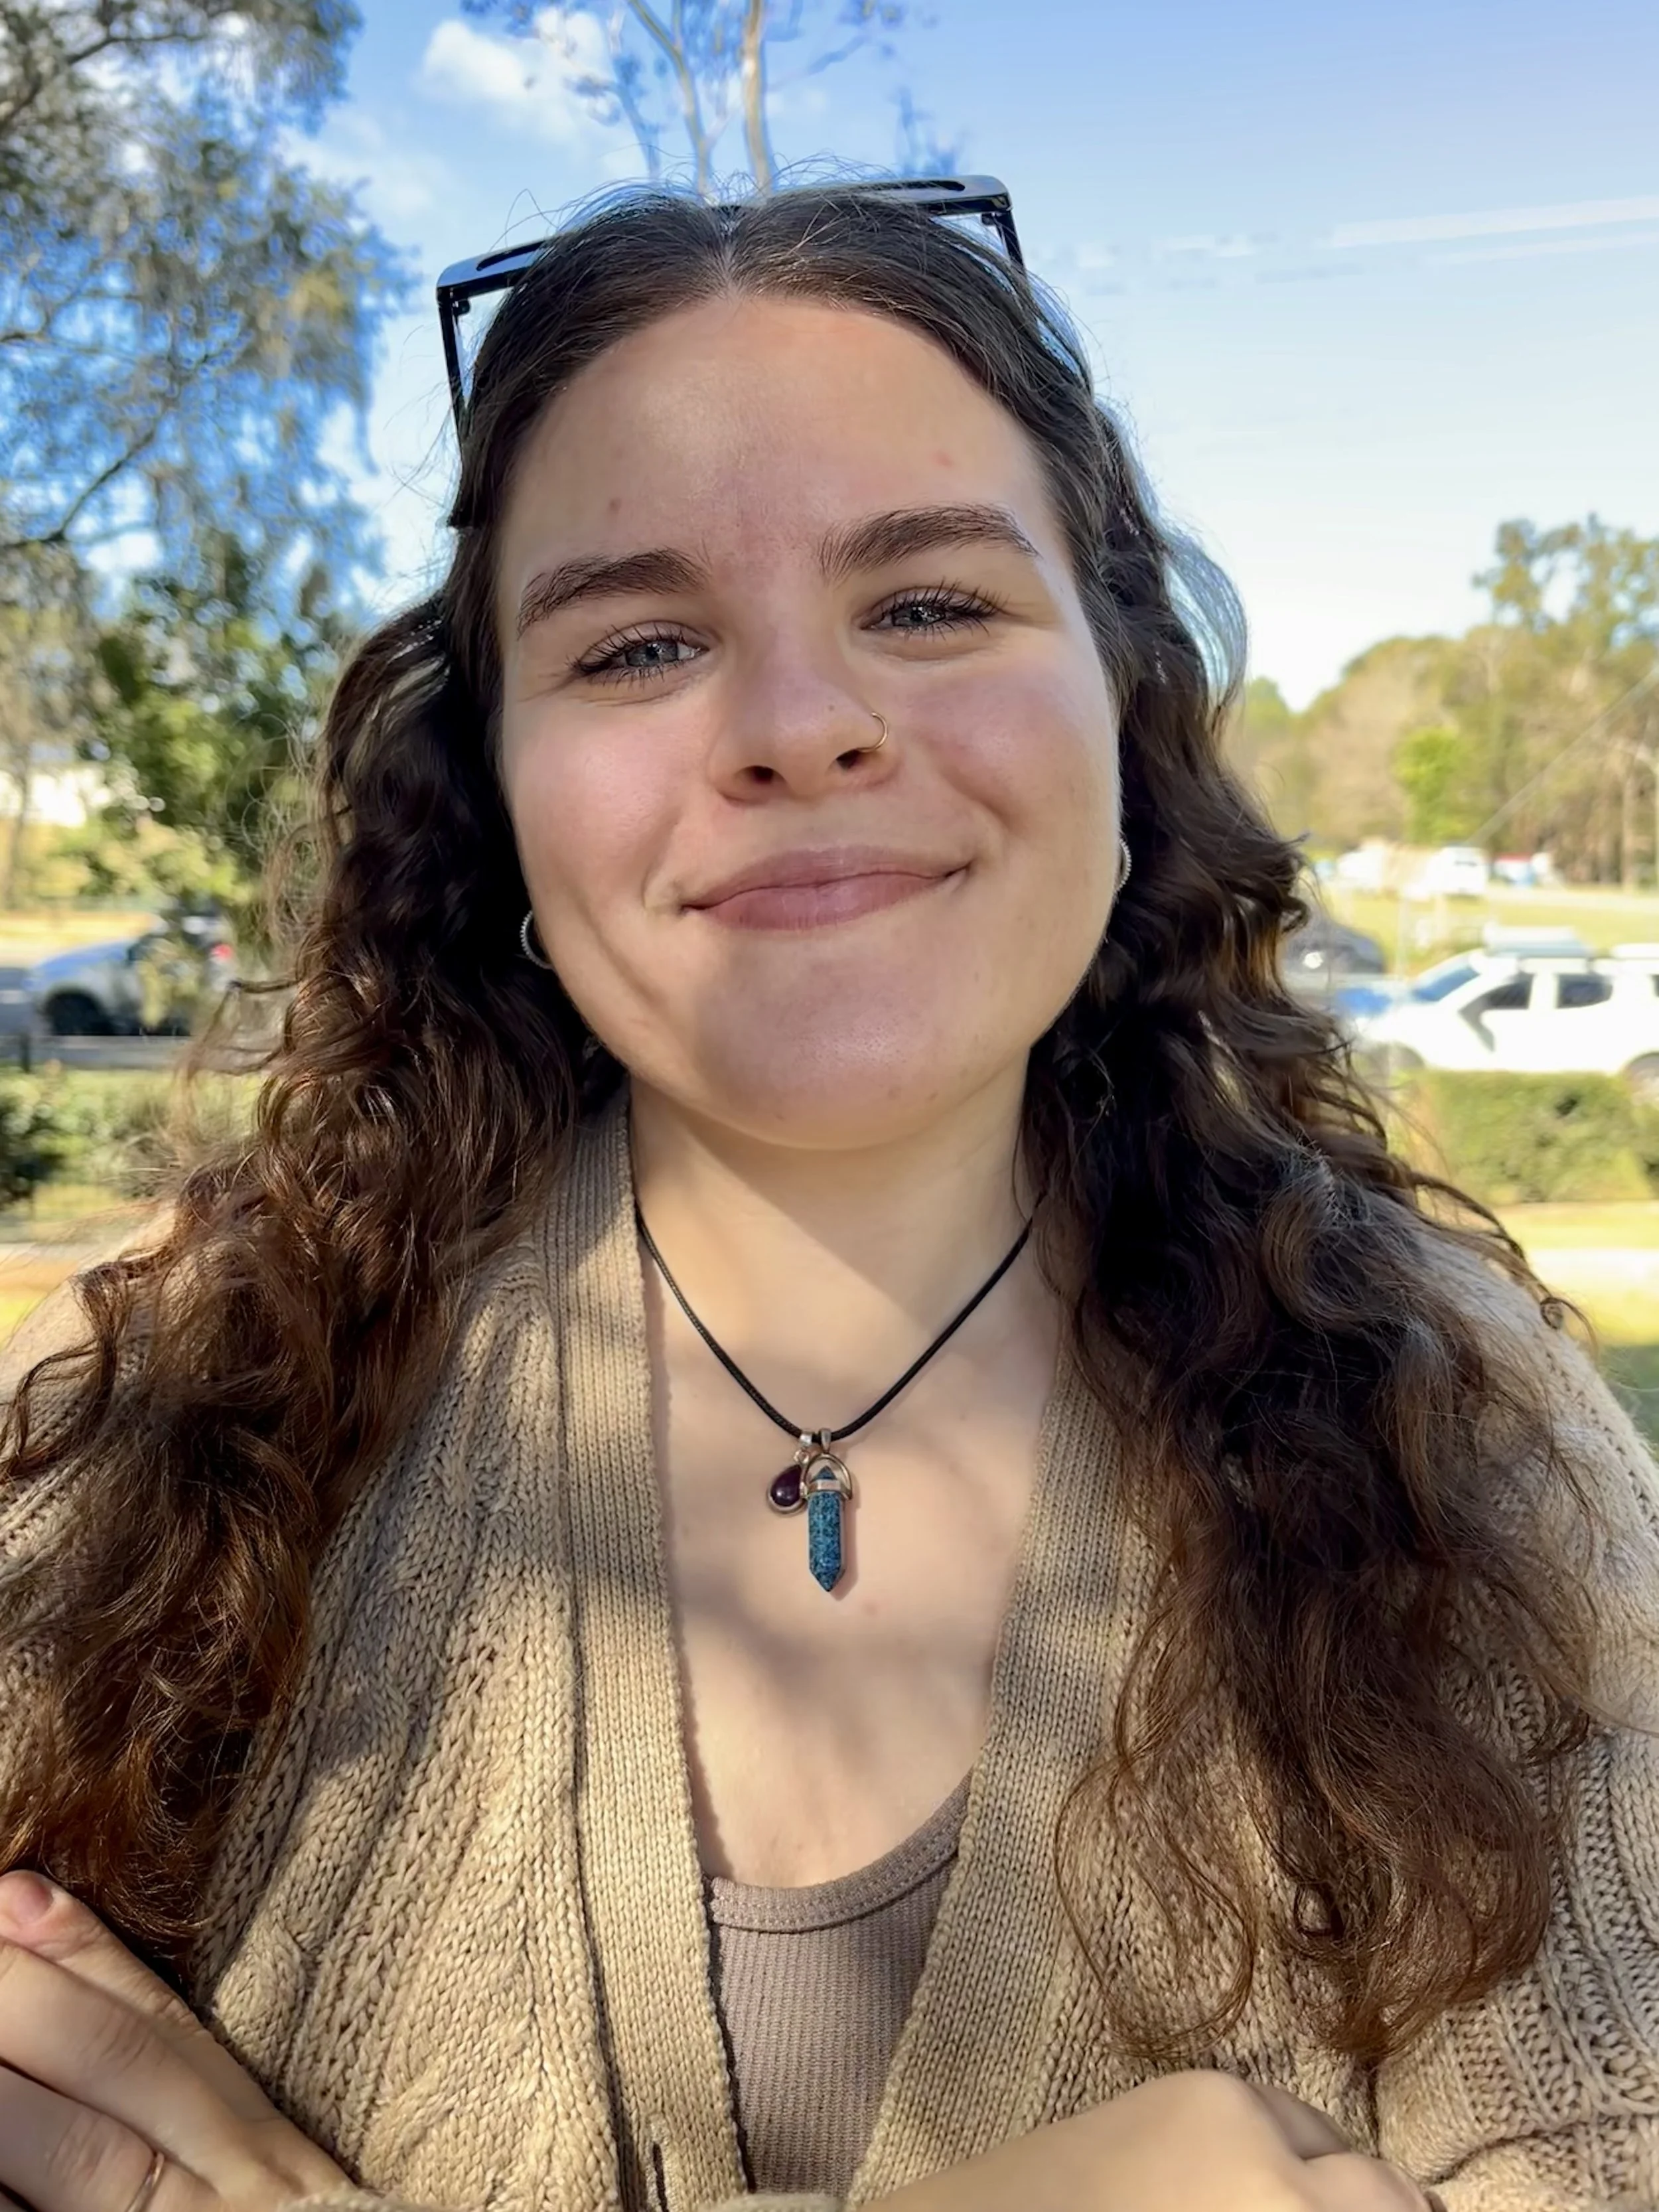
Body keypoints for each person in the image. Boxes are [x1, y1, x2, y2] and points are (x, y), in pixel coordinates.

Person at [0, 181, 1656, 2212]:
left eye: (931, 604)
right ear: (496, 789)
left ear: (1122, 708)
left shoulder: (1459, 1434)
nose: (797, 727)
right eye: (638, 643)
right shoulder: (169, 1408)